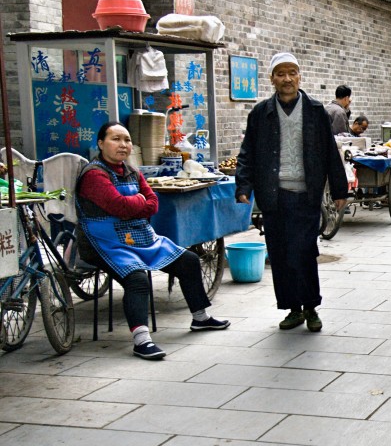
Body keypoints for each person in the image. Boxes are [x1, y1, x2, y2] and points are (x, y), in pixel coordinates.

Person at [75, 122, 230, 360]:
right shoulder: (94, 175)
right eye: (116, 139)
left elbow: (153, 204)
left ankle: (200, 317)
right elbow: (119, 205)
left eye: (127, 140)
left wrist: (133, 205)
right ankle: (141, 340)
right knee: (137, 279)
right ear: (100, 143)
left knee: (188, 260)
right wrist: (137, 203)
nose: (123, 145)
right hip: (104, 241)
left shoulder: (131, 171)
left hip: (139, 236)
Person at [235, 52, 348, 332]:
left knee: (305, 251)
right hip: (273, 195)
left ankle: (311, 307)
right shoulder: (260, 113)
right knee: (281, 254)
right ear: (272, 78)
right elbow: (247, 153)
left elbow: (330, 153)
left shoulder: (314, 110)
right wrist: (243, 187)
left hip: (306, 195)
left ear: (300, 76)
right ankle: (292, 309)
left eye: (292, 73)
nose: (287, 79)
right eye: (280, 74)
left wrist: (339, 188)